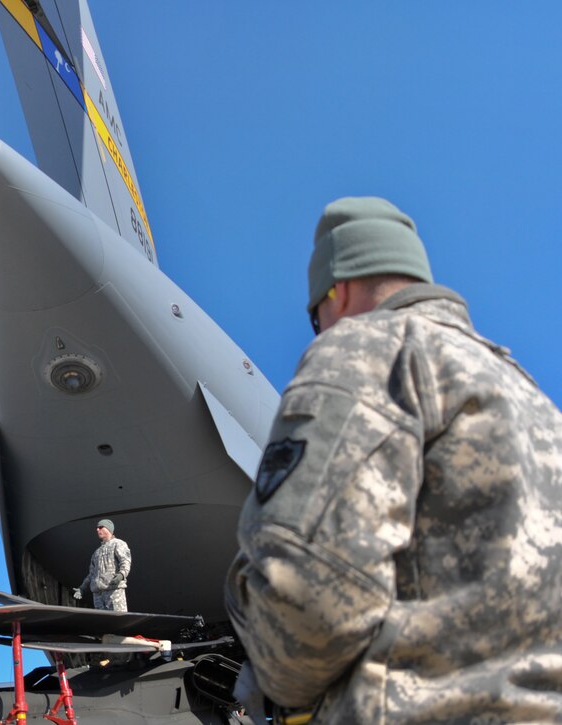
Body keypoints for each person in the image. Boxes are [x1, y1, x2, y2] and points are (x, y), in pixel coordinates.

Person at [224, 196, 562, 723]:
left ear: (338, 290)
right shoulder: (534, 403)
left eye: (318, 319)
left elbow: (307, 608)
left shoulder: (369, 348)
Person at [73, 519, 131, 611]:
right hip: (98, 596)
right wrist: (82, 588)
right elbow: (91, 574)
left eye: (100, 527)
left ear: (109, 529)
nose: (97, 530)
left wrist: (121, 575)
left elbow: (125, 562)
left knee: (118, 621)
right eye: (97, 528)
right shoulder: (97, 552)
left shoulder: (118, 544)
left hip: (113, 592)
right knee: (102, 623)